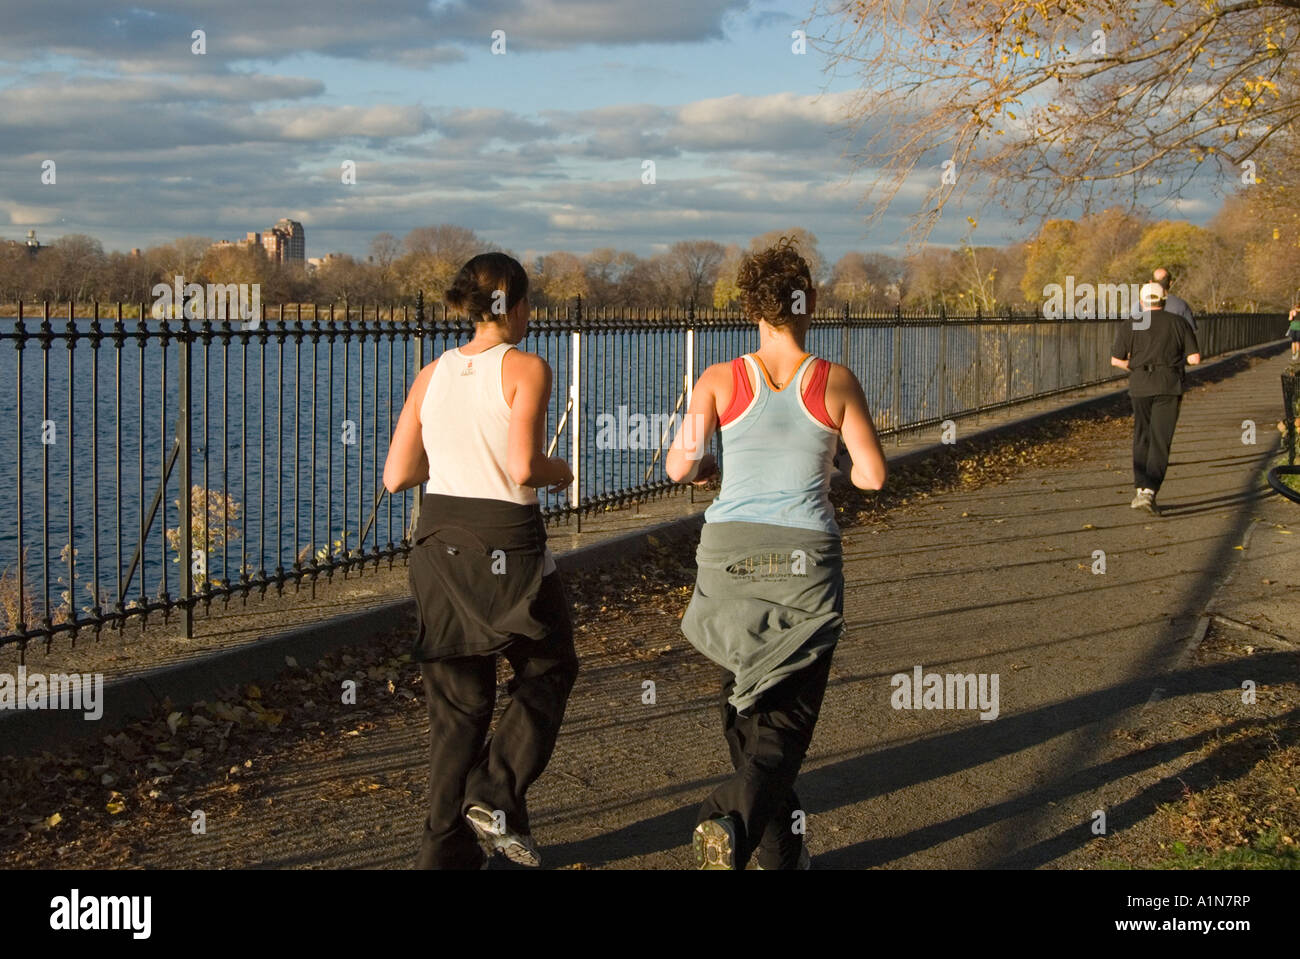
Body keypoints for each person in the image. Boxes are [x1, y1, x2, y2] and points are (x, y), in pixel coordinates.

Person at [665, 237, 887, 870]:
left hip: (729, 556)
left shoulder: (717, 379)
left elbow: (679, 464)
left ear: (750, 308)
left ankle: (780, 854)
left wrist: (709, 465)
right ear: (808, 300)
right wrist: (832, 457)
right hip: (803, 562)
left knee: (745, 697)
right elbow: (871, 477)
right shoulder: (836, 381)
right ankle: (727, 817)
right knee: (785, 719)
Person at [382, 252, 579, 869]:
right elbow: (524, 467)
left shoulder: (431, 374)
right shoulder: (526, 368)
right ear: (516, 306)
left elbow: (396, 475)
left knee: (460, 711)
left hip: (439, 547)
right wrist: (562, 470)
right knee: (549, 668)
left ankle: (443, 857)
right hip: (507, 547)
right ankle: (494, 794)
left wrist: (456, 455)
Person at [1111, 282, 1202, 515]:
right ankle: (1150, 491)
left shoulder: (1131, 324)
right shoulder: (1178, 323)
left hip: (1140, 384)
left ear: (1142, 302)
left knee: (1142, 435)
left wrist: (1134, 366)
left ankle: (1140, 488)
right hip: (1169, 384)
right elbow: (1194, 359)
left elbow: (1115, 360)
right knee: (1161, 438)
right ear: (1164, 300)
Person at [1152, 267, 1196, 332]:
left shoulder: (1140, 305)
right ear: (1170, 283)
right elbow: (1191, 331)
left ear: (1151, 283)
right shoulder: (1181, 305)